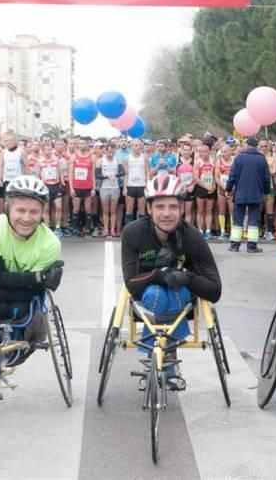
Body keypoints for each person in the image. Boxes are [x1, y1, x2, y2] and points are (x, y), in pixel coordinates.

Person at [120, 174, 222, 388]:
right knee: (157, 292)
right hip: (145, 297)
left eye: (173, 207)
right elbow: (131, 283)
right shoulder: (133, 232)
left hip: (182, 296)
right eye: (160, 207)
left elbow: (214, 291)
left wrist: (186, 276)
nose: (167, 213)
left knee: (175, 292)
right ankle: (163, 360)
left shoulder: (192, 237)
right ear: (149, 209)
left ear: (181, 209)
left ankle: (164, 357)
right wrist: (159, 274)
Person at [0, 176, 64, 363]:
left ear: (43, 211)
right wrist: (36, 278)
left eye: (34, 212)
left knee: (19, 306)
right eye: (21, 210)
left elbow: (31, 292)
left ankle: (18, 351)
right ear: (8, 208)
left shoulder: (51, 243)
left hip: (17, 300)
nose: (26, 218)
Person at [226, 137, 271, 253]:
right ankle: (252, 246)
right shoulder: (262, 159)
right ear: (256, 146)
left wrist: (228, 189)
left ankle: (234, 245)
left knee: (237, 220)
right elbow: (267, 179)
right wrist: (266, 192)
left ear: (247, 145)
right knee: (253, 221)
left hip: (240, 193)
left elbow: (232, 176)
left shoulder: (239, 157)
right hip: (256, 193)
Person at [69, 137, 96, 236]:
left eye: (83, 143)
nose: (81, 145)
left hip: (88, 187)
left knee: (88, 208)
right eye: (80, 143)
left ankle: (87, 228)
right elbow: (71, 173)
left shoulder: (92, 157)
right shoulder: (73, 157)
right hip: (76, 187)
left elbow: (93, 174)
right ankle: (75, 228)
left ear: (87, 145)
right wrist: (71, 188)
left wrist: (94, 187)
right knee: (75, 208)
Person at [96, 143, 123, 237]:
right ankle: (106, 229)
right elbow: (97, 175)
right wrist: (106, 177)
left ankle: (112, 230)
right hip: (104, 188)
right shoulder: (100, 161)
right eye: (108, 151)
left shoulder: (117, 160)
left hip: (115, 187)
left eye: (112, 151)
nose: (110, 153)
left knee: (113, 211)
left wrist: (115, 175)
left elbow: (122, 172)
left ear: (114, 150)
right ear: (105, 151)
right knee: (105, 211)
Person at [123, 138, 149, 226]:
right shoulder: (127, 158)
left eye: (139, 145)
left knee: (141, 209)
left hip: (142, 185)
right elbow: (126, 174)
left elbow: (147, 172)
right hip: (131, 185)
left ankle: (142, 229)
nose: (138, 147)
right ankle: (128, 228)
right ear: (131, 146)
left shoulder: (144, 157)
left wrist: (147, 184)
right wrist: (124, 187)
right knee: (129, 208)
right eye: (135, 145)